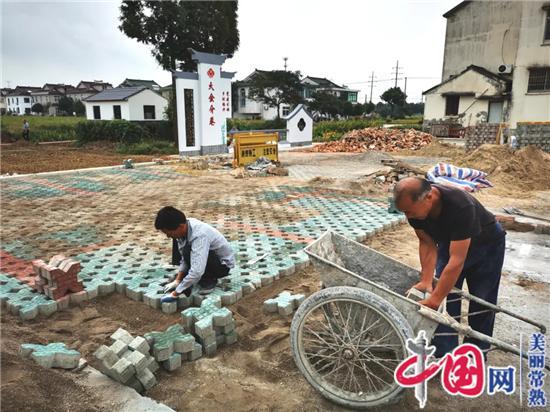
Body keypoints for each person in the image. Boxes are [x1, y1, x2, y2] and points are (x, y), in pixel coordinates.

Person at [393, 177, 506, 357]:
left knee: (482, 299)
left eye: (409, 211)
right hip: (451, 241)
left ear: (429, 197)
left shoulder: (460, 206)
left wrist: (434, 299)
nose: (408, 216)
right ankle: (445, 352)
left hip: (486, 244)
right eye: (404, 212)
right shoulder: (415, 210)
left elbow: (457, 260)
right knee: (447, 296)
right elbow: (427, 243)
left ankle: (475, 352)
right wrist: (426, 281)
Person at [154, 206, 235, 303]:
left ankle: (209, 280)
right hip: (207, 258)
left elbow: (197, 271)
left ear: (180, 226)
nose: (168, 236)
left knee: (189, 251)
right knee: (186, 250)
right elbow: (184, 258)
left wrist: (176, 293)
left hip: (221, 266)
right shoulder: (184, 227)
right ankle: (188, 279)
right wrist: (178, 280)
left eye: (168, 232)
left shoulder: (199, 234)